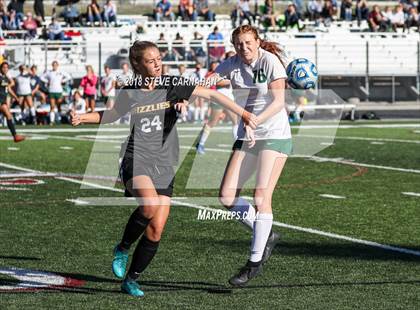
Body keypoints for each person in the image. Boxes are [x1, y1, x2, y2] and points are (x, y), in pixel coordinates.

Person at [70, 40, 257, 297]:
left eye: (159, 58)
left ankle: (131, 279)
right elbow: (112, 115)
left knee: (156, 228)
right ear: (138, 64)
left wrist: (245, 115)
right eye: (151, 60)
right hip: (136, 156)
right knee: (149, 205)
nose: (157, 64)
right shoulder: (130, 90)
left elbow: (213, 94)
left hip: (164, 162)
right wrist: (84, 116)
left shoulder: (174, 84)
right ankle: (122, 248)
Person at [215, 25, 292, 287]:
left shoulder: (269, 61)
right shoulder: (232, 64)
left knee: (261, 197)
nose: (244, 48)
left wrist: (253, 120)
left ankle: (254, 263)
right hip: (248, 135)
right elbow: (207, 82)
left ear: (257, 42)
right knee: (226, 196)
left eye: (248, 43)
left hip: (273, 133)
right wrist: (183, 94)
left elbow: (279, 102)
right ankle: (267, 234)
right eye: (239, 44)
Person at [196, 53, 238, 154]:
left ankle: (237, 146)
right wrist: (231, 81)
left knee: (236, 121)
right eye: (231, 56)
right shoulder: (224, 67)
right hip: (219, 97)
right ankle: (200, 143)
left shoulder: (236, 68)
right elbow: (217, 82)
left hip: (229, 98)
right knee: (213, 122)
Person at [0, 62, 25, 142]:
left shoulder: (5, 78)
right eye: (4, 67)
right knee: (9, 116)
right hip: (0, 100)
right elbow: (10, 84)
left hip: (3, 100)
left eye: (7, 67)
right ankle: (15, 136)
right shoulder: (1, 78)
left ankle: (15, 136)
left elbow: (9, 89)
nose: (5, 69)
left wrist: (16, 97)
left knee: (9, 116)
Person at [41, 60, 69, 125]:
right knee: (52, 106)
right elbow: (41, 77)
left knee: (59, 105)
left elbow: (68, 77)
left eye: (56, 65)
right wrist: (47, 81)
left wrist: (63, 81)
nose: (55, 66)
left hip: (59, 91)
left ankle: (58, 119)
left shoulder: (61, 72)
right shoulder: (49, 72)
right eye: (53, 65)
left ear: (58, 66)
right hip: (51, 91)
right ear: (52, 66)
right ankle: (52, 121)